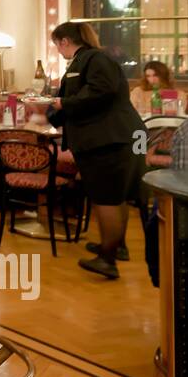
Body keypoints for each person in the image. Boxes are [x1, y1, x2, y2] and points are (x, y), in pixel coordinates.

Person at [47, 21, 146, 281]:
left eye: (56, 44)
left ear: (64, 41)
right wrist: (56, 111)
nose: (57, 50)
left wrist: (62, 103)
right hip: (123, 134)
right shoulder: (88, 60)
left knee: (106, 197)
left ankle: (107, 259)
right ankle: (116, 245)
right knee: (118, 195)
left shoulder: (93, 58)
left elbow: (101, 90)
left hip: (109, 138)